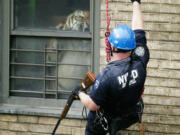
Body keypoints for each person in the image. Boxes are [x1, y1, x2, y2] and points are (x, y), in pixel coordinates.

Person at [75, 0, 150, 134]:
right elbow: (139, 32)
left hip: (108, 120)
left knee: (93, 117)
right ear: (132, 46)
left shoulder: (107, 76)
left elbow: (92, 105)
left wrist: (80, 94)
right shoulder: (140, 60)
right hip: (129, 115)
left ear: (113, 47)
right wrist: (136, 3)